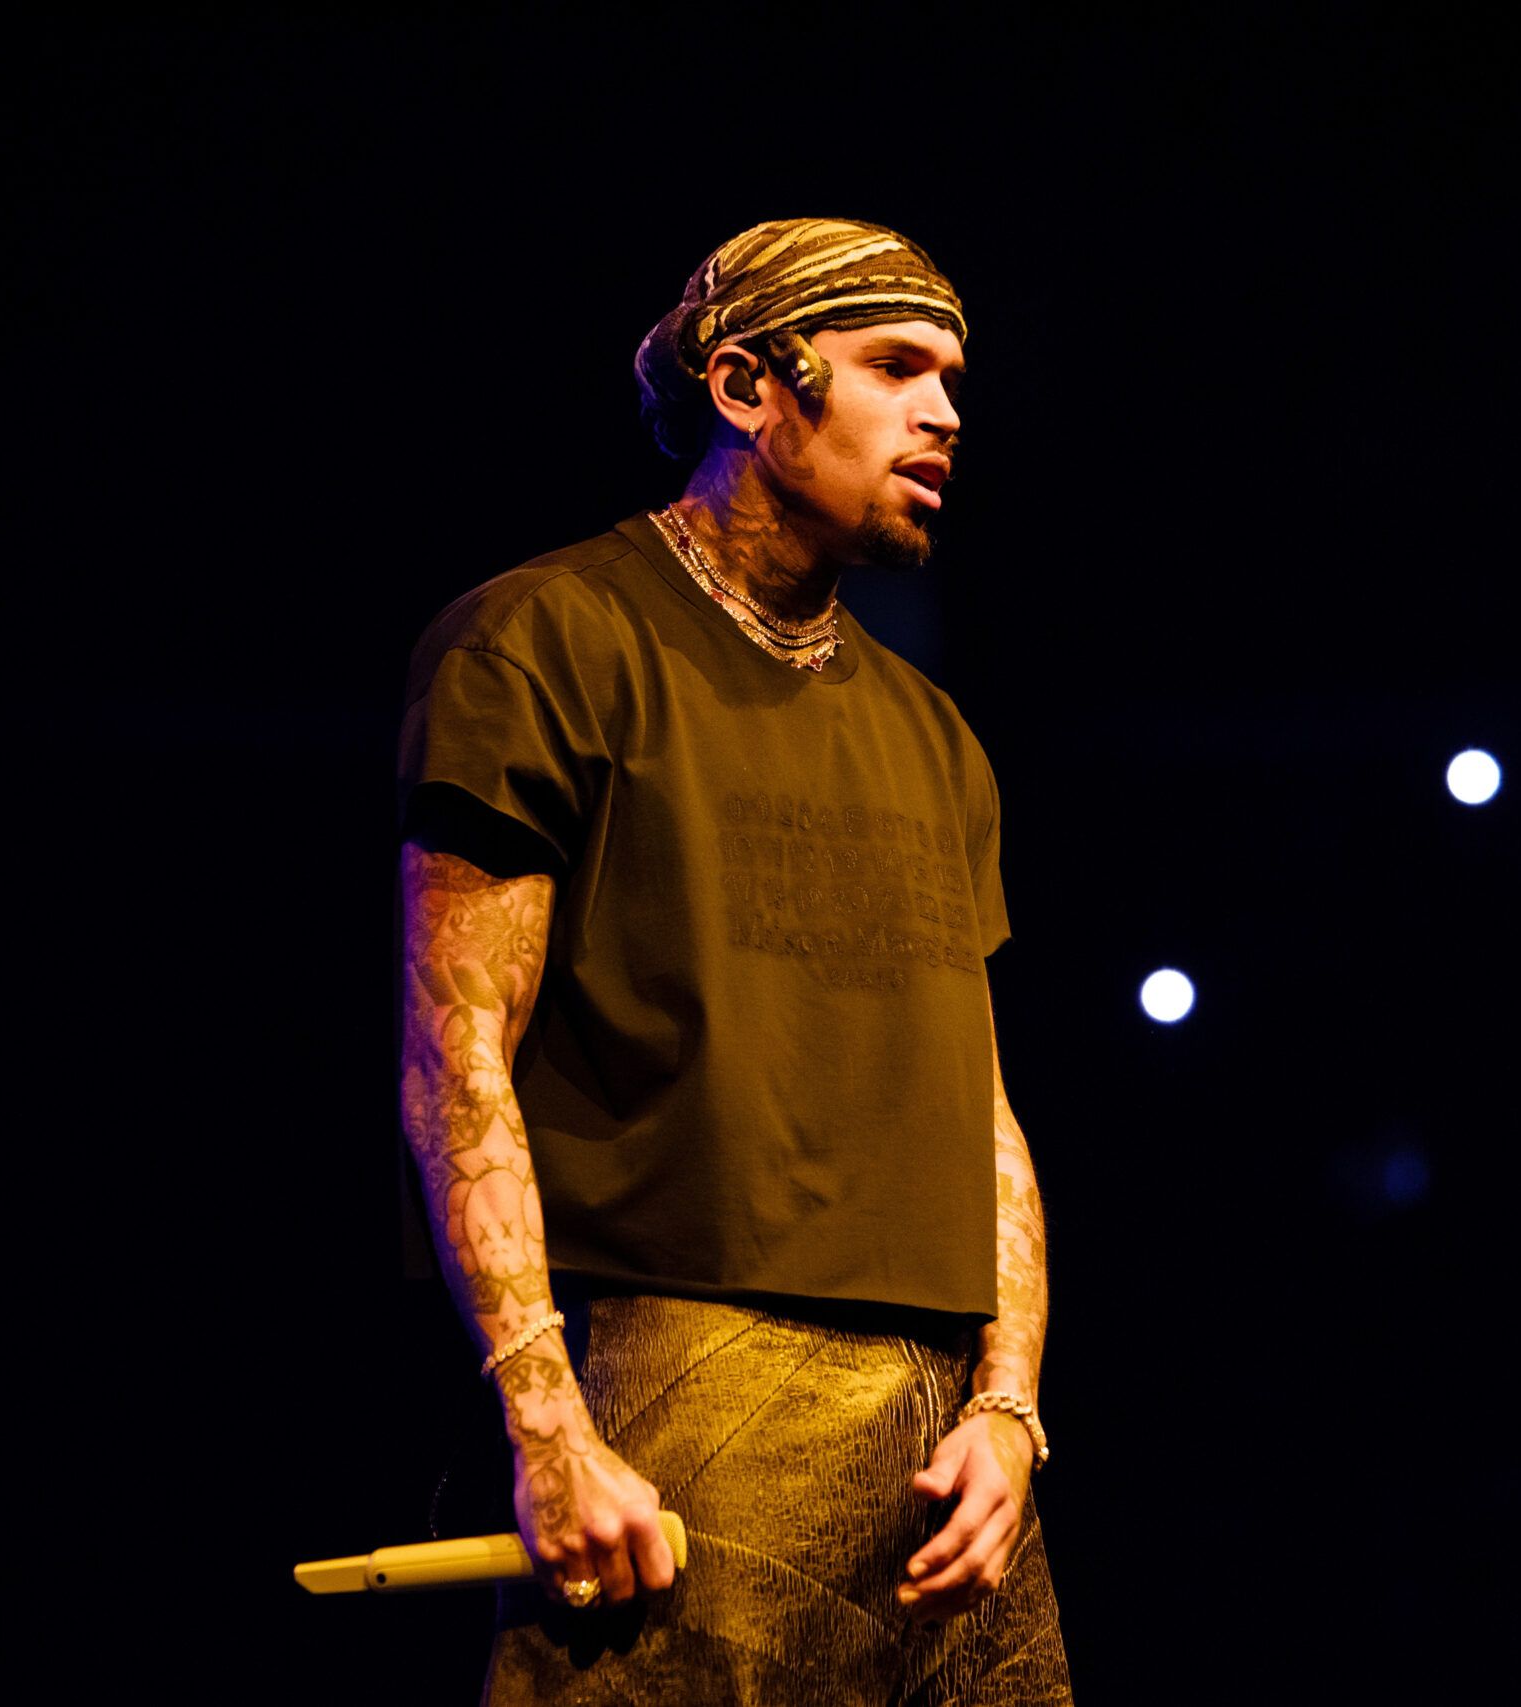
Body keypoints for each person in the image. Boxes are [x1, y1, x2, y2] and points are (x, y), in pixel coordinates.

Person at [397, 217, 1071, 1702]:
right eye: (895, 367)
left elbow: (980, 1111)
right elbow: (457, 1048)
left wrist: (1010, 1405)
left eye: (953, 378)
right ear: (747, 385)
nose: (944, 412)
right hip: (685, 1377)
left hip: (945, 1443)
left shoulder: (935, 733)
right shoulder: (544, 639)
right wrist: (549, 1425)